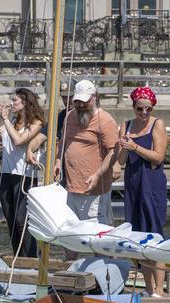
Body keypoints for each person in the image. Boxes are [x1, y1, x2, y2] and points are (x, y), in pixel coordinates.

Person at [54, 79, 119, 260]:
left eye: (85, 101)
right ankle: (71, 270)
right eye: (77, 102)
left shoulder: (105, 120)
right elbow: (63, 142)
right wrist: (58, 161)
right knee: (69, 233)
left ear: (95, 97)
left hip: (94, 190)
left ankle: (103, 273)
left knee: (97, 235)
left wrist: (98, 174)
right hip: (70, 187)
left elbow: (113, 152)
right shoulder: (69, 117)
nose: (81, 105)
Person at [116, 86, 168, 297]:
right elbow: (120, 161)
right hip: (134, 184)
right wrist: (121, 146)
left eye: (148, 109)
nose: (144, 113)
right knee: (139, 238)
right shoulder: (126, 126)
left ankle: (159, 290)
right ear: (133, 107)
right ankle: (148, 288)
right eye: (140, 109)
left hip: (152, 184)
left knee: (155, 235)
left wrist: (135, 147)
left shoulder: (158, 124)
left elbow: (158, 157)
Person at [0, 88, 45, 258]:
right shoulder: (11, 121)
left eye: (15, 100)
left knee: (22, 221)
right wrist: (0, 118)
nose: (11, 103)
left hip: (25, 175)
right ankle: (18, 257)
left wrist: (5, 119)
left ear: (26, 103)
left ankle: (31, 257)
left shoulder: (36, 123)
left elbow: (19, 140)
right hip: (6, 174)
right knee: (11, 220)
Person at [26, 78, 76, 178]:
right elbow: (40, 137)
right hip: (63, 169)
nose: (67, 100)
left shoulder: (89, 117)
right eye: (64, 97)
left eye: (71, 96)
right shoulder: (60, 117)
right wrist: (29, 150)